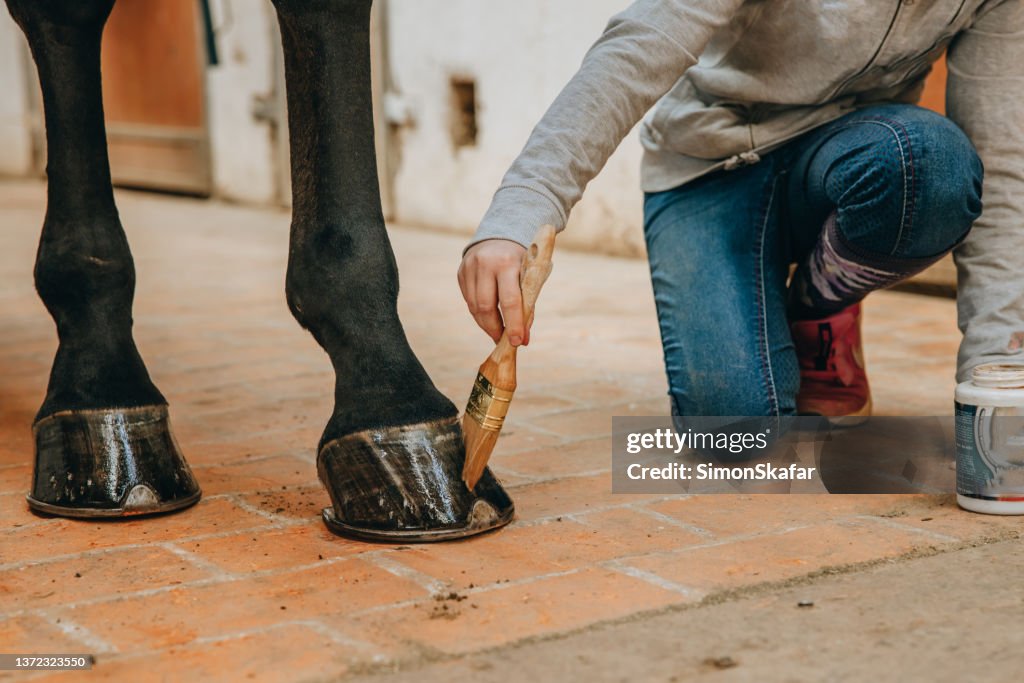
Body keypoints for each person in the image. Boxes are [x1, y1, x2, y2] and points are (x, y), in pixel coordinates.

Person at [457, 0, 1024, 422]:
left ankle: (820, 304)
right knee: (737, 438)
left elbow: (1000, 161)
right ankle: (790, 297)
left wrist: (997, 380)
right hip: (709, 168)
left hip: (849, 159)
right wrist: (522, 208)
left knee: (933, 165)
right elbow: (638, 48)